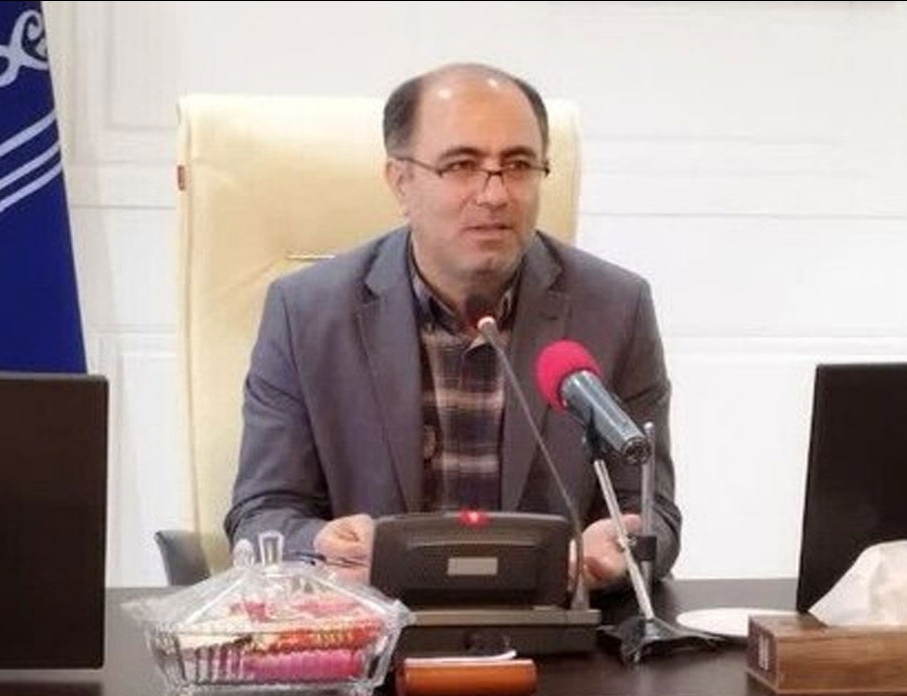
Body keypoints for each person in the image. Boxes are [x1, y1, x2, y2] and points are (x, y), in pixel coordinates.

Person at [224, 62, 681, 592]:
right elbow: (261, 515)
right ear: (401, 182)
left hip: (550, 625)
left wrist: (623, 546)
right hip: (377, 625)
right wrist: (321, 543)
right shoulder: (307, 312)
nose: (495, 195)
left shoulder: (615, 308)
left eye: (518, 165)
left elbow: (651, 512)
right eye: (462, 165)